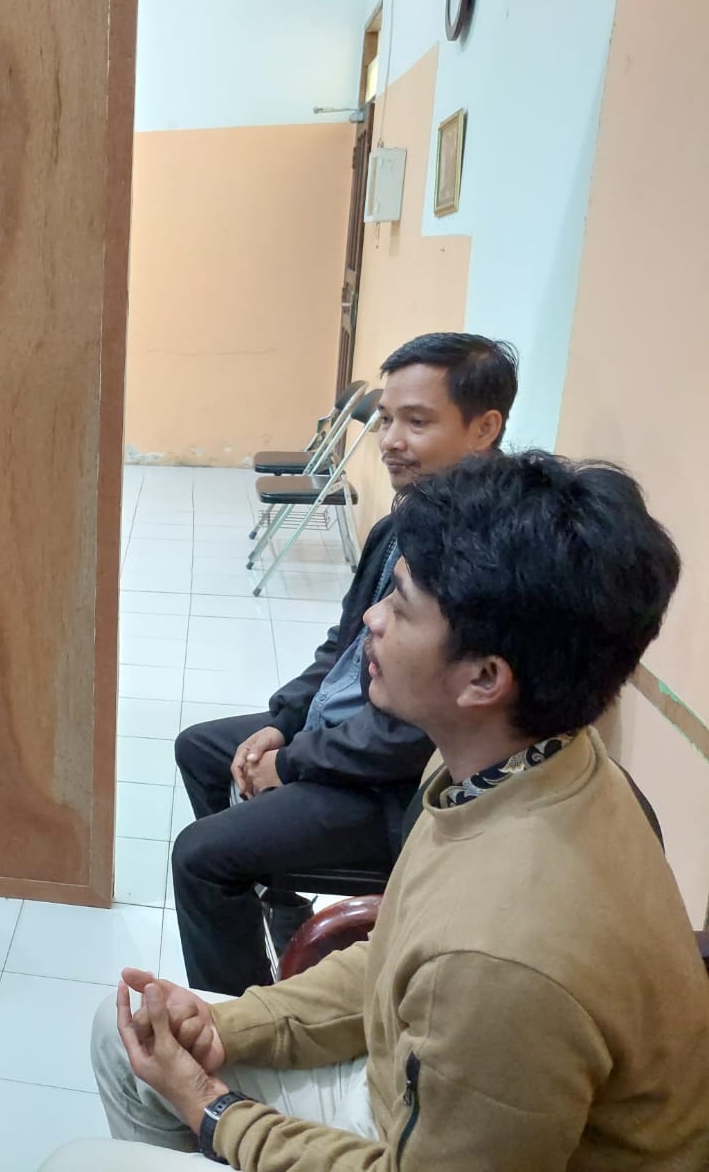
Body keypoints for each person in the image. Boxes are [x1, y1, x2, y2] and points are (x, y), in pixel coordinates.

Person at [45, 451, 709, 1170]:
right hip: (423, 1089)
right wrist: (230, 1022)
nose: (372, 618)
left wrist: (212, 1110)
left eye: (400, 604)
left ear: (485, 678)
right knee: (131, 1040)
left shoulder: (502, 963)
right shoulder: (528, 764)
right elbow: (393, 959)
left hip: (427, 1134)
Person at [171, 332, 517, 995]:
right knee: (203, 750)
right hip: (345, 738)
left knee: (200, 857)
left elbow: (411, 737)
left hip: (392, 788)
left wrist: (290, 763)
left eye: (417, 422)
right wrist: (281, 724)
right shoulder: (404, 522)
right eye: (385, 419)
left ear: (484, 428)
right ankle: (279, 899)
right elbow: (342, 644)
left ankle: (242, 1022)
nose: (390, 440)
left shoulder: (479, 556)